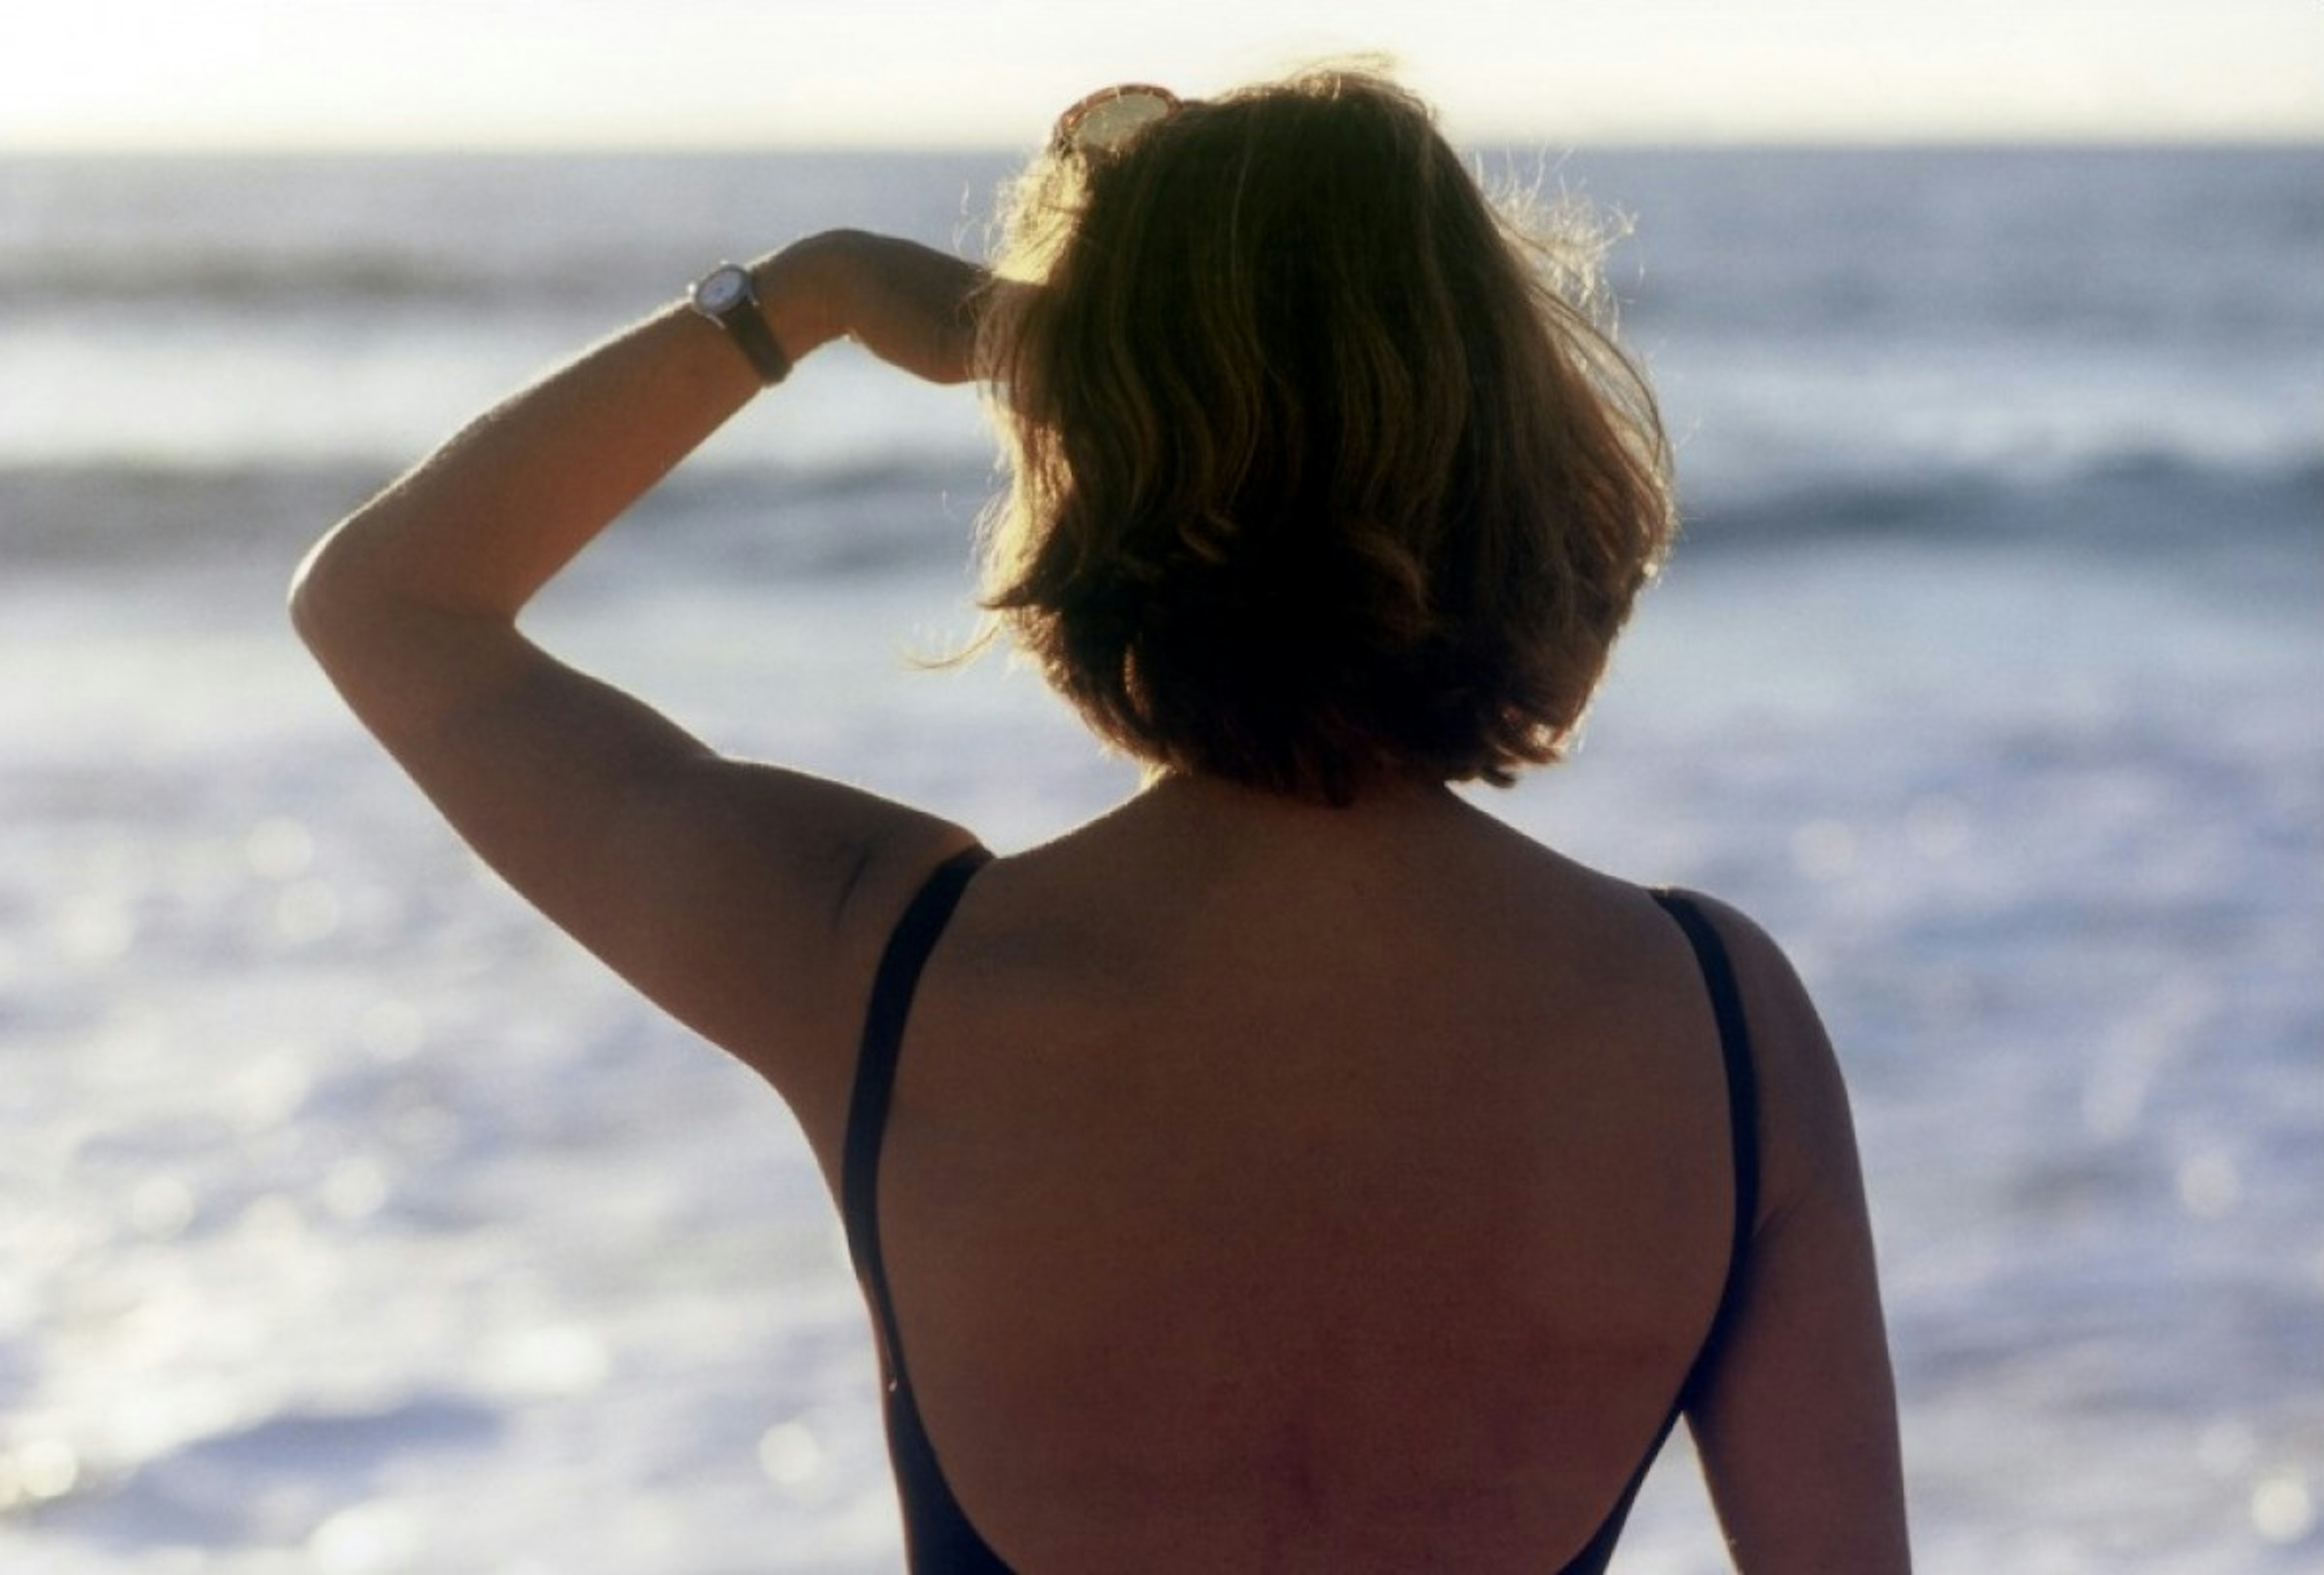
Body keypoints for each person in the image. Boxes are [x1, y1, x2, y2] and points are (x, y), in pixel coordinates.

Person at [291, 67, 1910, 1575]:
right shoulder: (1716, 1030)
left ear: (1091, 463)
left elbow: (389, 604)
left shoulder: (888, 966)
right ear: (1520, 455)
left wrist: (812, 295)